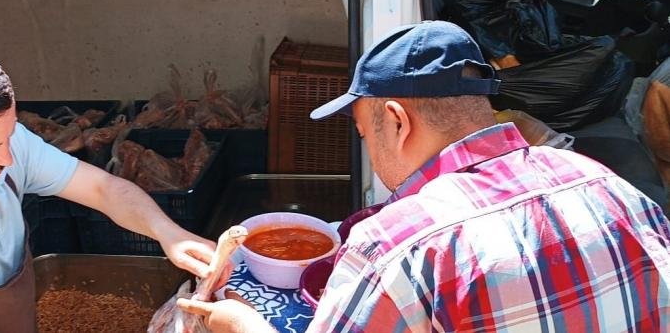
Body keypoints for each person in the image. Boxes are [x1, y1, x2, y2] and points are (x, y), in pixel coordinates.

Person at [178, 21, 670, 332]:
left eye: (365, 135)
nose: (370, 153)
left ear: (396, 120)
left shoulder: (397, 246)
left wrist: (244, 326)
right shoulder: (603, 182)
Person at [0, 40, 221, 333]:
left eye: (8, 135)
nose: (7, 159)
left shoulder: (5, 146)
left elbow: (103, 190)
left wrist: (168, 233)